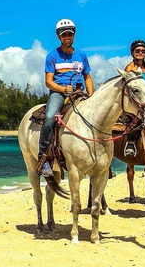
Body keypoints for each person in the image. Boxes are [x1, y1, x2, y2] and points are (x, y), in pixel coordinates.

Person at [38, 18, 94, 176]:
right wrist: (63, 88)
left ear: (74, 35)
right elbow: (48, 82)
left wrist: (91, 95)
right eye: (64, 35)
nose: (67, 36)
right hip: (59, 93)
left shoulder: (82, 55)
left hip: (79, 92)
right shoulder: (52, 56)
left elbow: (88, 78)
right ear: (59, 37)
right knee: (49, 117)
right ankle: (43, 159)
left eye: (70, 33)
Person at [122, 39, 145, 157]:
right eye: (137, 51)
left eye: (143, 51)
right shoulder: (130, 68)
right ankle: (130, 143)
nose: (140, 53)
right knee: (137, 118)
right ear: (132, 52)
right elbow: (129, 87)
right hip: (135, 100)